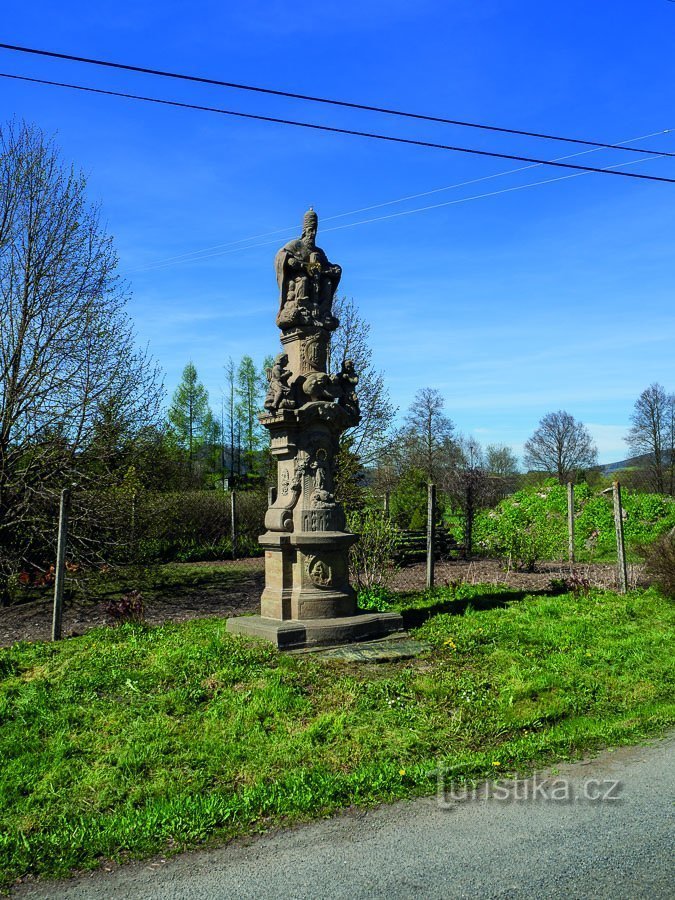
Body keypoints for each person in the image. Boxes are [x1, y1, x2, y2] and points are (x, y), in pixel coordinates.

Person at [274, 208, 341, 328]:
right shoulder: (296, 245)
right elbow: (281, 255)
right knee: (303, 278)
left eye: (315, 231)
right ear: (305, 231)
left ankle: (323, 310)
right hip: (298, 284)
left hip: (317, 290)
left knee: (327, 283)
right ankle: (302, 308)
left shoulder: (318, 251)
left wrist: (335, 269)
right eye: (310, 230)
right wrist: (291, 261)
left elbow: (326, 266)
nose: (313, 234)